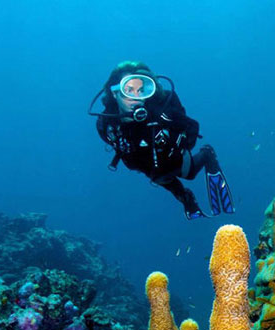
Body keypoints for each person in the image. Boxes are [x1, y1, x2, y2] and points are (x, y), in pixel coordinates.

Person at [89, 61, 233, 219]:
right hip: (145, 165)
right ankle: (185, 198)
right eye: (128, 90)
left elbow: (192, 126)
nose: (136, 97)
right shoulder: (105, 124)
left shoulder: (161, 110)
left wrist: (180, 147)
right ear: (115, 93)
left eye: (141, 90)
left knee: (188, 173)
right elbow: (114, 144)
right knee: (161, 178)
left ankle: (206, 154)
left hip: (170, 154)